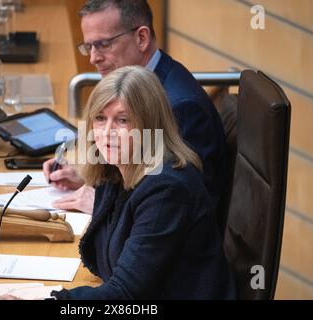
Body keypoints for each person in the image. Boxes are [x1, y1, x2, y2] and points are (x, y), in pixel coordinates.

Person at [46, 66, 234, 299]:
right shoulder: (114, 168)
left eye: (123, 120)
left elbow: (125, 294)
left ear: (149, 125)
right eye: (100, 118)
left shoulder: (167, 189)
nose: (107, 132)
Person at [44, 0, 226, 224]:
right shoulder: (146, 84)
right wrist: (89, 178)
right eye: (88, 46)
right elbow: (141, 173)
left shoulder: (180, 106)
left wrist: (103, 204)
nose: (93, 58)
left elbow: (183, 205)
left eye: (103, 44)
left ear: (141, 38)